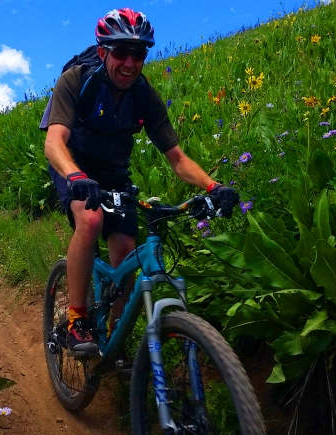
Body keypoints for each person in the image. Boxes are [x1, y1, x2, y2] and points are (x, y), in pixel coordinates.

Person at [41, 8, 239, 354]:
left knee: (126, 251)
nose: (130, 62)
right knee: (90, 220)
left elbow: (177, 159)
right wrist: (75, 175)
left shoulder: (143, 95)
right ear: (103, 52)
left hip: (114, 174)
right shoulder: (76, 80)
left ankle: (116, 340)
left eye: (138, 53)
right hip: (72, 165)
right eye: (120, 52)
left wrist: (213, 186)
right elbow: (54, 141)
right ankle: (76, 321)